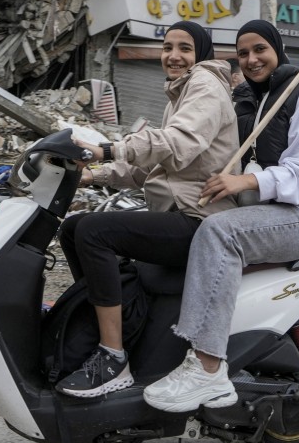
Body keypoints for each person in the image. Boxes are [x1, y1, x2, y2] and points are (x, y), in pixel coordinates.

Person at [143, 20, 299, 413]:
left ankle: (207, 366)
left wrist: (244, 181)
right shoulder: (257, 98)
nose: (251, 60)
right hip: (273, 211)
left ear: (278, 49)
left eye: (260, 50)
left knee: (219, 233)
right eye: (243, 53)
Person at [54, 21, 239, 398]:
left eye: (185, 48)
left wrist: (108, 148)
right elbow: (150, 166)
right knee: (73, 228)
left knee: (94, 232)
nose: (173, 56)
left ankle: (112, 358)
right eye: (167, 47)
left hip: (197, 219)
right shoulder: (181, 94)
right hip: (176, 213)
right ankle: (112, 327)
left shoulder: (205, 86)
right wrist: (90, 177)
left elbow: (176, 144)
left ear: (200, 54)